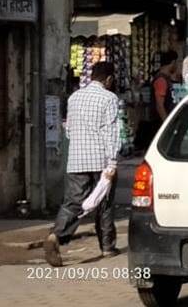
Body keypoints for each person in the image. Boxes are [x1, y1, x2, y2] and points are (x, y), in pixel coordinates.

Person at [45, 62, 121, 266]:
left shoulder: (74, 98)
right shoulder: (110, 98)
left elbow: (68, 130)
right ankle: (107, 247)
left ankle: (56, 236)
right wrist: (112, 161)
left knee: (72, 202)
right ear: (109, 80)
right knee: (104, 203)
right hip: (101, 160)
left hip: (77, 160)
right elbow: (110, 131)